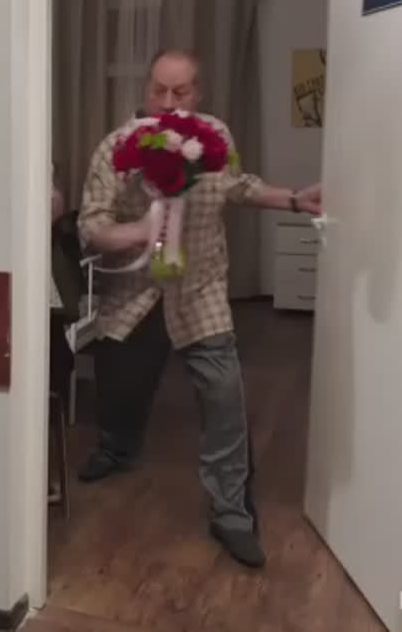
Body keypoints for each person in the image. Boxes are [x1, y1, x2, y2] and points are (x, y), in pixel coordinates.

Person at [75, 49, 321, 569]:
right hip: (136, 291)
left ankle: (231, 512)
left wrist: (295, 199)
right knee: (120, 387)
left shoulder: (215, 137)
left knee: (224, 395)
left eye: (180, 91)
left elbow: (237, 185)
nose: (168, 102)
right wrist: (141, 230)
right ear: (146, 89)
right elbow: (91, 226)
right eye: (158, 90)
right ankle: (117, 449)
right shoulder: (116, 148)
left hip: (199, 288)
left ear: (198, 92)